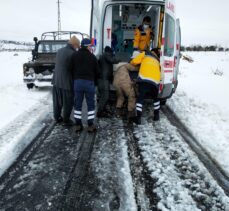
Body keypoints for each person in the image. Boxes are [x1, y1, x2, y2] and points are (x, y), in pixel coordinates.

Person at [72, 38, 99, 132]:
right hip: (89, 83)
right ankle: (90, 124)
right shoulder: (92, 57)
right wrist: (95, 82)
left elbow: (70, 69)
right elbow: (97, 72)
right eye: (90, 46)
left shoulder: (74, 56)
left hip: (77, 82)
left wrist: (75, 78)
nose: (90, 47)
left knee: (77, 104)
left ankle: (78, 124)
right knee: (90, 104)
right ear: (87, 46)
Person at [52, 36, 80, 126]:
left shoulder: (59, 51)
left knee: (57, 102)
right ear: (74, 45)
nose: (77, 47)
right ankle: (66, 120)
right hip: (67, 82)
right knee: (68, 102)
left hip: (56, 80)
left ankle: (57, 117)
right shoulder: (73, 53)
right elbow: (74, 69)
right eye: (77, 46)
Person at [130, 48, 161, 123]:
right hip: (155, 81)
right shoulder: (158, 60)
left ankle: (138, 118)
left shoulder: (145, 54)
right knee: (156, 99)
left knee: (140, 98)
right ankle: (156, 116)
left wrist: (132, 62)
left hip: (144, 79)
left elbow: (134, 61)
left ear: (151, 51)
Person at [97, 46, 120, 117]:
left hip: (103, 79)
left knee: (103, 96)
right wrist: (119, 59)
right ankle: (100, 112)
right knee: (105, 96)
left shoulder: (103, 56)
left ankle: (102, 110)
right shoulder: (106, 55)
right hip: (104, 79)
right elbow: (112, 60)